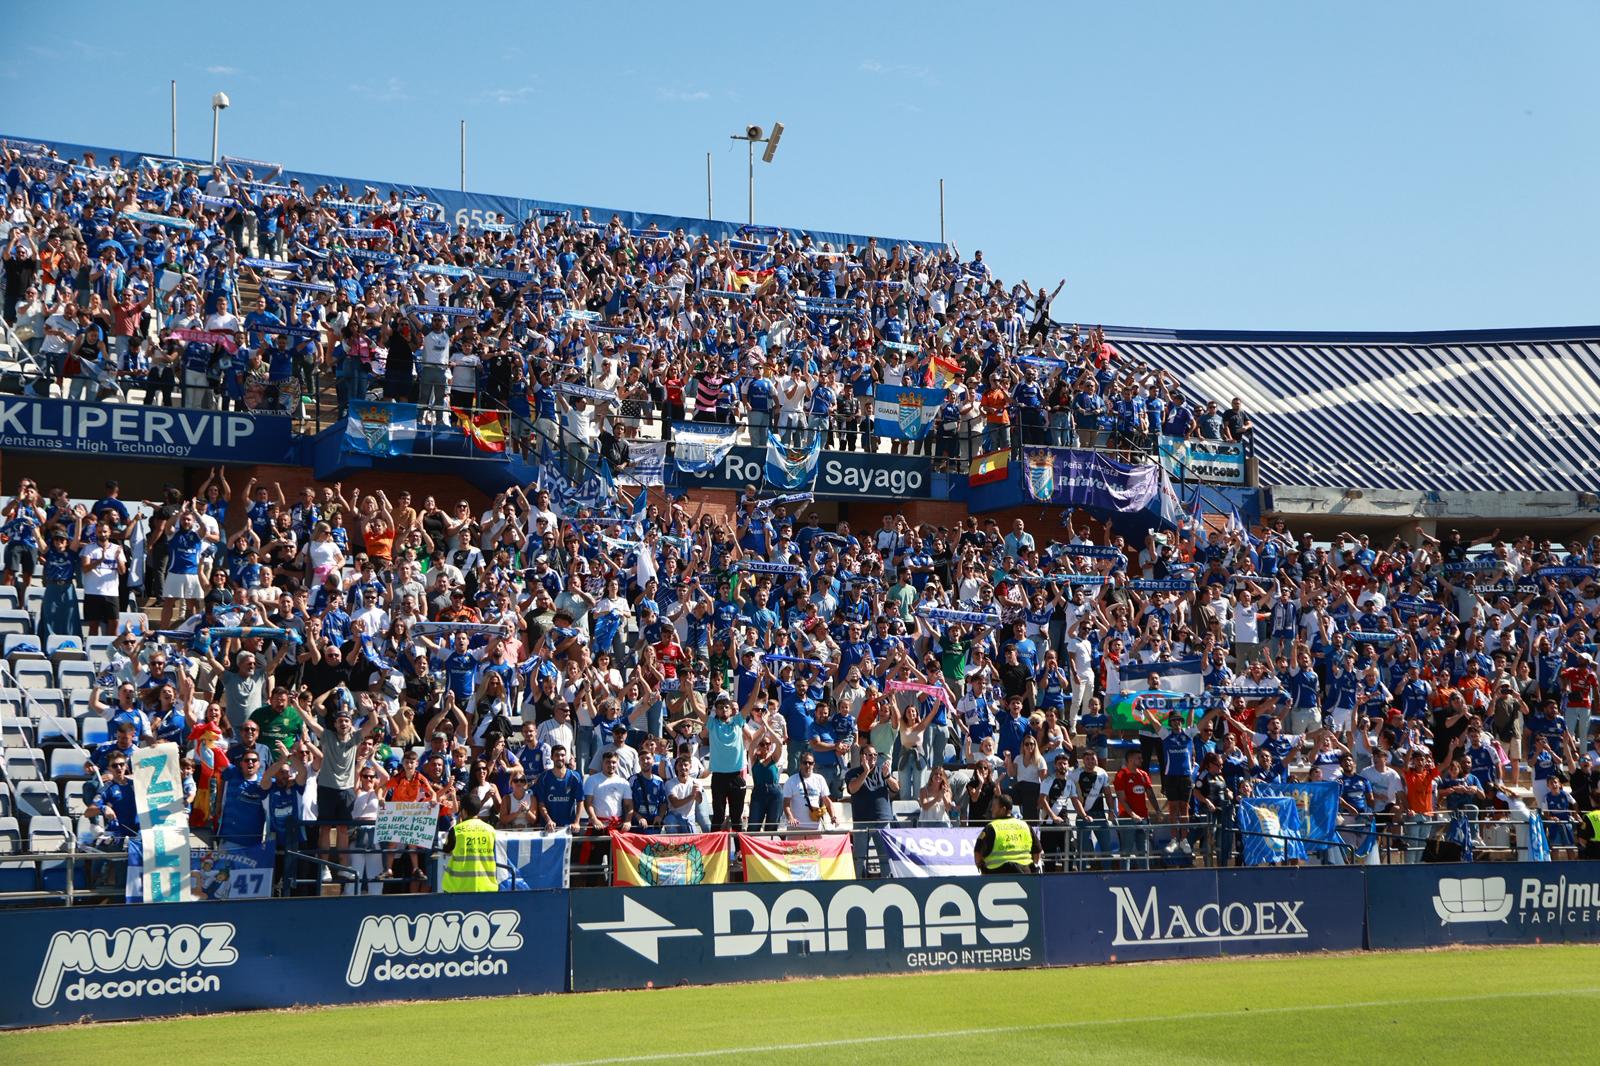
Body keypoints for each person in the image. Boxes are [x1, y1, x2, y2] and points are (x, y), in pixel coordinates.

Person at [973, 792, 1041, 874]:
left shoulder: (991, 827)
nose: (991, 809)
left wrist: (982, 870)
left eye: (994, 806)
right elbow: (1037, 853)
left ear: (1003, 809)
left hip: (997, 875)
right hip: (1025, 874)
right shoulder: (1025, 826)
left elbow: (978, 852)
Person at [440, 810, 498, 893]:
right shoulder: (490, 830)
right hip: (486, 887)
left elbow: (447, 851)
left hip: (458, 888)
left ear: (463, 811)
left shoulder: (456, 830)